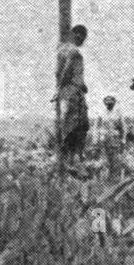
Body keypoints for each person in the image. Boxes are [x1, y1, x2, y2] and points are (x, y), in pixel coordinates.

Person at [55, 25, 89, 167]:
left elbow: (64, 72)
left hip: (71, 91)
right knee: (79, 125)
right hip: (73, 92)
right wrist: (60, 88)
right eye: (81, 38)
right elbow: (67, 72)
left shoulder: (62, 49)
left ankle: (70, 161)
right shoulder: (74, 51)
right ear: (76, 35)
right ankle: (72, 162)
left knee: (71, 124)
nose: (82, 41)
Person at [94, 94, 126, 170]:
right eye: (107, 102)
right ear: (105, 103)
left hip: (114, 140)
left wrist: (123, 140)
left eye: (111, 102)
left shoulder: (118, 113)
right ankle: (104, 178)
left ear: (114, 103)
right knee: (104, 160)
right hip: (103, 139)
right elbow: (96, 127)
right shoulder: (101, 113)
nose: (109, 104)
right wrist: (95, 140)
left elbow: (123, 128)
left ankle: (114, 177)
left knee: (114, 160)